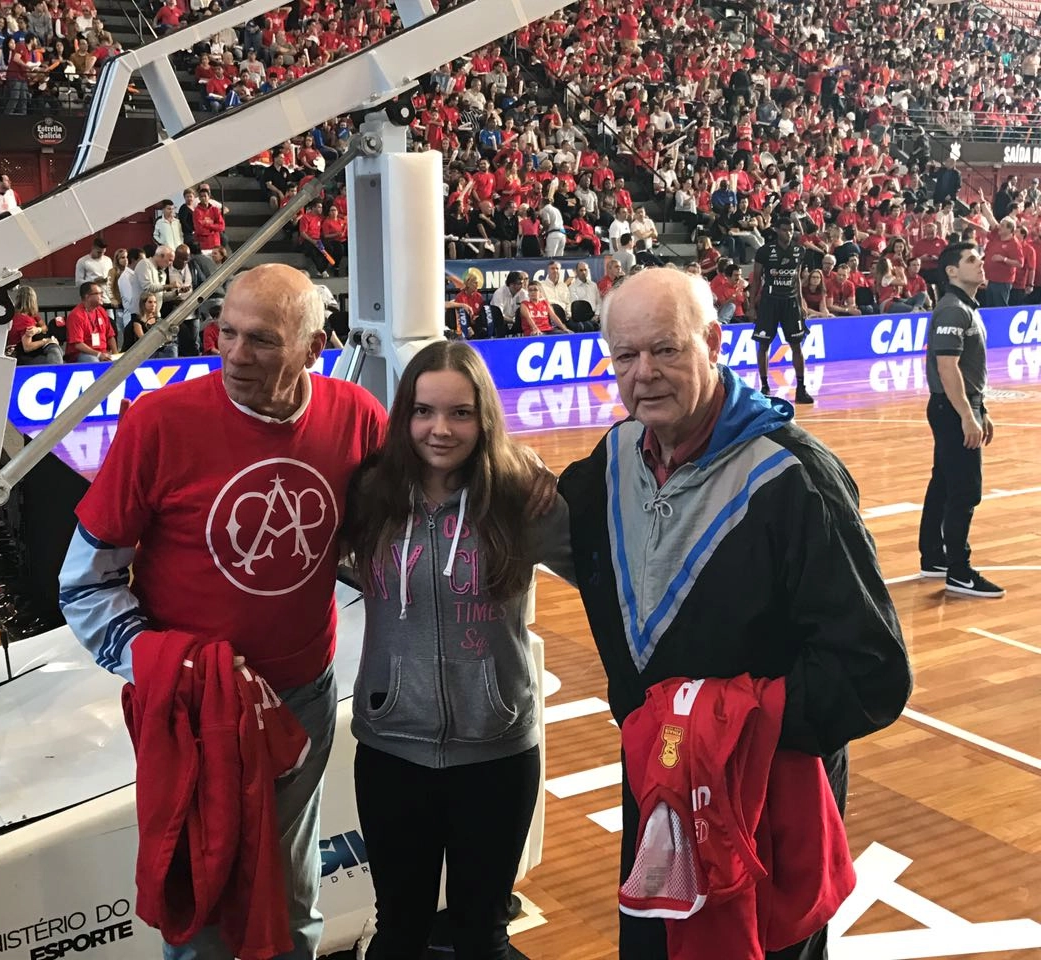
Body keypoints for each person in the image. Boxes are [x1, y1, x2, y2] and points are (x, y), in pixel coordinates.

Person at [557, 267, 912, 960]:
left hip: (765, 807)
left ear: (714, 341)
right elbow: (536, 519)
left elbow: (874, 673)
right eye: (625, 357)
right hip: (659, 785)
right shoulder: (617, 455)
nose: (645, 374)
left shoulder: (793, 477)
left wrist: (731, 723)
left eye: (667, 349)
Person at [58, 263, 390, 960]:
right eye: (226, 333)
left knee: (293, 891)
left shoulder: (357, 417)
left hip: (302, 697)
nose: (236, 355)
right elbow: (84, 584)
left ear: (315, 346)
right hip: (192, 712)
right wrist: (173, 669)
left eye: (263, 341)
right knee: (199, 902)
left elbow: (395, 534)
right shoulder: (159, 424)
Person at [343, 340, 571, 960]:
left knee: (482, 935)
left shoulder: (521, 494)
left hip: (496, 753)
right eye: (424, 411)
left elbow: (608, 575)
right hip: (393, 749)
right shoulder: (369, 493)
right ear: (404, 415)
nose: (439, 429)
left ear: (484, 417)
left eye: (460, 413)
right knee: (399, 933)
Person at [917, 242, 1004, 598]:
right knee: (965, 490)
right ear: (952, 271)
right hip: (953, 409)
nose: (980, 264)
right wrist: (968, 416)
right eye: (972, 260)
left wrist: (982, 411)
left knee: (944, 482)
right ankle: (959, 570)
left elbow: (965, 371)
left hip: (959, 406)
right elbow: (947, 367)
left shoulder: (965, 307)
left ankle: (934, 557)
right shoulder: (953, 310)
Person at [749, 216, 814, 404]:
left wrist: (801, 302)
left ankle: (801, 389)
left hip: (791, 302)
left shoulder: (799, 251)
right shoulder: (764, 251)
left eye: (792, 229)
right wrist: (752, 305)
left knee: (796, 345)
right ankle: (764, 386)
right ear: (777, 230)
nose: (789, 233)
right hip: (770, 302)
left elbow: (796, 279)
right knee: (764, 345)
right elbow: (756, 281)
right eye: (785, 229)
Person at [7, 286, 64, 366]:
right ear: (33, 300)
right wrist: (46, 341)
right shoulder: (25, 320)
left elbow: (45, 327)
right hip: (23, 356)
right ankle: (58, 372)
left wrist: (37, 330)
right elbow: (27, 347)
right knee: (54, 351)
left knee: (56, 349)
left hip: (31, 352)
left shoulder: (31, 315)